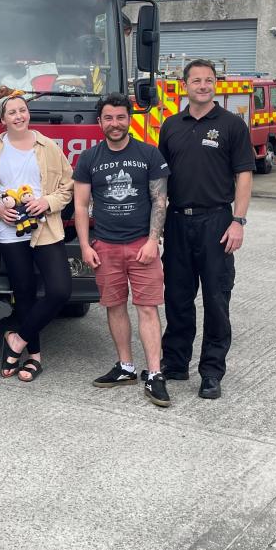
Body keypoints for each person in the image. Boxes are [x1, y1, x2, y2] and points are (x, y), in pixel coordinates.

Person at [158, 59, 254, 399]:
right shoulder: (170, 125)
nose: (202, 85)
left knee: (216, 298)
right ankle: (175, 362)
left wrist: (238, 221)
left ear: (217, 85)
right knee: (177, 296)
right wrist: (157, 225)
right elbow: (161, 181)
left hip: (216, 221)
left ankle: (211, 371)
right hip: (178, 221)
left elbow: (244, 174)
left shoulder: (232, 126)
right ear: (185, 85)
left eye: (209, 80)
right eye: (196, 80)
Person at [73, 93, 171, 406]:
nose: (115, 124)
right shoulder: (89, 158)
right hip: (106, 247)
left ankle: (154, 374)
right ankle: (126, 366)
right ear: (100, 121)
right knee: (114, 306)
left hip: (142, 245)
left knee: (147, 307)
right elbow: (80, 204)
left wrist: (152, 240)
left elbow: (160, 200)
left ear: (129, 119)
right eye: (109, 118)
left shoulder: (149, 154)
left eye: (120, 117)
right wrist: (86, 246)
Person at [0, 87, 74, 382]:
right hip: (9, 232)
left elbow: (68, 187)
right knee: (25, 294)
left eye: (22, 110)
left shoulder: (48, 147)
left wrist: (47, 202)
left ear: (28, 114)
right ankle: (34, 358)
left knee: (60, 290)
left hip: (45, 228)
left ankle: (15, 340)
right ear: (2, 119)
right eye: (12, 112)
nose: (19, 116)